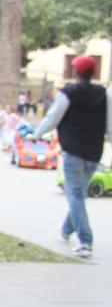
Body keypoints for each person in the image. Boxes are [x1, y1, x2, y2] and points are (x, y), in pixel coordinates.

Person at [31, 55, 110, 258]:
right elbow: (109, 122)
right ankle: (66, 229)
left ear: (76, 72)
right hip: (94, 151)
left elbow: (53, 117)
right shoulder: (104, 94)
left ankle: (85, 241)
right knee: (79, 193)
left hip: (74, 151)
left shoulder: (68, 94)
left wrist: (37, 135)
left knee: (75, 194)